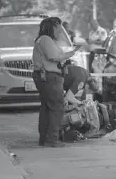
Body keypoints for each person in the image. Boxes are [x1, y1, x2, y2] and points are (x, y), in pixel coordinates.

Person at [32, 17, 79, 148]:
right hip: (49, 77)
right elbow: (54, 57)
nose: (59, 32)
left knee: (47, 108)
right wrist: (70, 54)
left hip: (45, 77)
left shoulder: (44, 40)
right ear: (50, 28)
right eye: (57, 29)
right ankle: (51, 139)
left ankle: (45, 138)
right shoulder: (46, 40)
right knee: (57, 108)